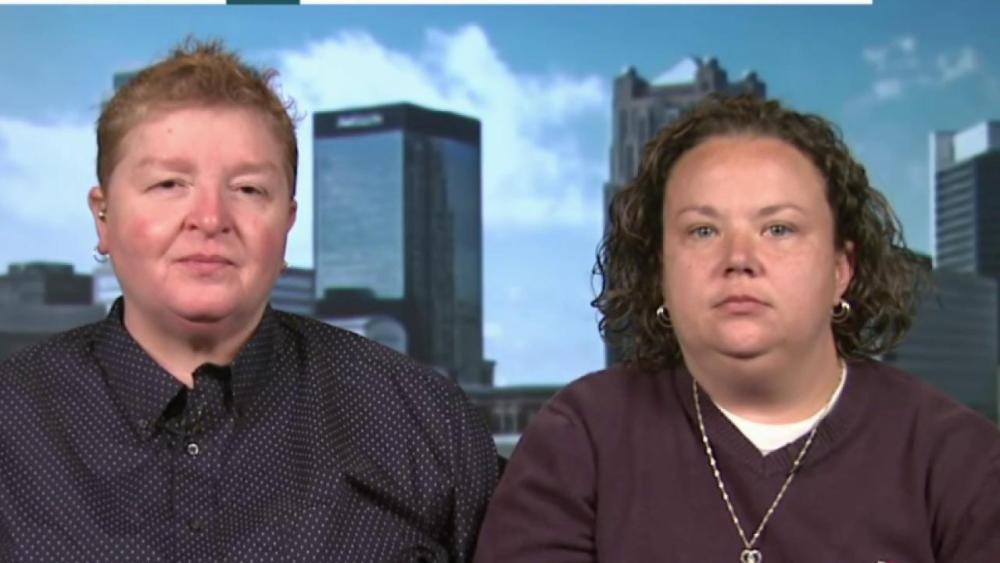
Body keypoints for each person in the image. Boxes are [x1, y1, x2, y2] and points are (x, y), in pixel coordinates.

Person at [0, 39, 497, 562]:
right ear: (103, 216)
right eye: (169, 184)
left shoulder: (423, 420)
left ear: (287, 222)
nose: (210, 219)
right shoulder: (12, 419)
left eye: (248, 190)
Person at [475, 95, 1000, 562]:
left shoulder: (960, 459)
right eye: (703, 230)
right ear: (660, 271)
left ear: (841, 269)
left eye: (779, 229)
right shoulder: (581, 437)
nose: (739, 259)